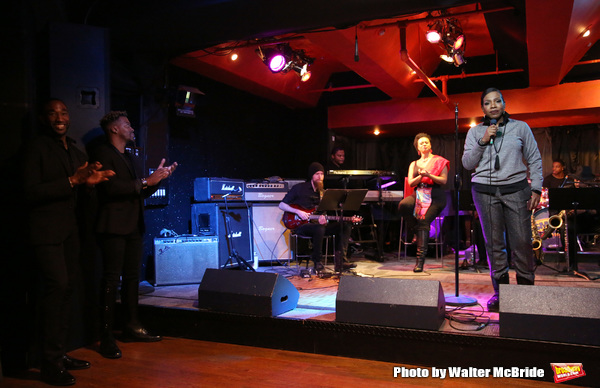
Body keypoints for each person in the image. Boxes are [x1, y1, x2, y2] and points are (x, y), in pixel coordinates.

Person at [22, 99, 115, 386]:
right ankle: (49, 364)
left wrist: (89, 183)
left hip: (70, 233)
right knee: (57, 289)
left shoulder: (75, 151)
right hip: (45, 233)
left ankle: (58, 355)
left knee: (65, 293)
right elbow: (29, 192)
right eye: (52, 112)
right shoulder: (36, 148)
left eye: (63, 112)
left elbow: (80, 192)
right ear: (42, 118)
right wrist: (72, 181)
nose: (59, 117)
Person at [92, 111, 177, 359]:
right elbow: (110, 188)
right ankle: (106, 337)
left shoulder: (129, 155)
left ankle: (131, 326)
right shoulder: (102, 153)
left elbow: (140, 192)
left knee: (132, 280)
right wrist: (145, 181)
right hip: (113, 227)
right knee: (110, 282)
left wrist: (157, 180)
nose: (131, 128)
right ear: (114, 130)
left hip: (133, 226)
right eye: (126, 124)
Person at [462, 87, 543, 313]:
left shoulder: (520, 127)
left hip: (516, 190)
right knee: (494, 244)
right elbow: (468, 164)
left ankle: (525, 292)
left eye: (497, 101)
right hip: (484, 191)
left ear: (504, 104)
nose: (494, 106)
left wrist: (536, 187)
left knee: (521, 242)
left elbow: (535, 158)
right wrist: (483, 140)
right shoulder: (475, 132)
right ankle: (502, 293)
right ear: (483, 108)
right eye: (488, 103)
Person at [279, 162, 357, 272]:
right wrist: (298, 211)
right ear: (311, 175)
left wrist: (323, 218)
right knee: (319, 229)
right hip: (301, 226)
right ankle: (317, 262)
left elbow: (322, 214)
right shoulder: (299, 188)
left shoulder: (323, 193)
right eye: (317, 174)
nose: (320, 177)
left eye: (322, 174)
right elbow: (281, 205)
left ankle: (341, 262)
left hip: (317, 226)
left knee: (345, 225)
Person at [398, 133, 449, 272]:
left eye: (426, 142)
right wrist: (421, 176)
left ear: (430, 145)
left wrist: (429, 175)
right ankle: (416, 231)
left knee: (424, 222)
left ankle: (420, 261)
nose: (424, 144)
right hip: (419, 193)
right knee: (403, 205)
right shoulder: (414, 164)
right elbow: (411, 182)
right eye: (421, 143)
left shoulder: (440, 161)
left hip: (436, 195)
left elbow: (443, 180)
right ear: (418, 148)